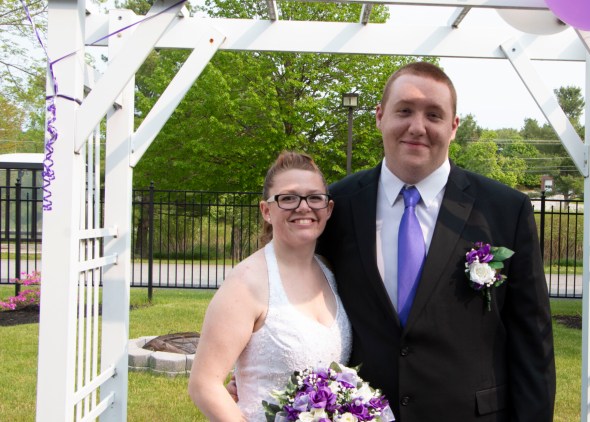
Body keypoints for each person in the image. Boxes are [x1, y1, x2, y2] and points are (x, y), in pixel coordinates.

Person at [316, 62, 556, 420]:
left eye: (434, 114)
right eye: (404, 111)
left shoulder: (506, 210)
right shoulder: (337, 204)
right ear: (380, 116)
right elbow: (299, 299)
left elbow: (532, 340)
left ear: (454, 126)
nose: (417, 127)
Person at [189, 151, 352, 421]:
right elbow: (204, 385)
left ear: (328, 208)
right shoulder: (246, 283)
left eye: (314, 197)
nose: (303, 207)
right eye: (288, 198)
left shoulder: (331, 271)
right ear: (266, 210)